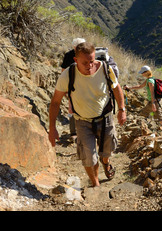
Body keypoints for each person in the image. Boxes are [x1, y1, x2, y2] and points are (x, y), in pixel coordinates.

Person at [49, 42, 126, 187]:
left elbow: (116, 88)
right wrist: (52, 128)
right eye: (85, 62)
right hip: (82, 121)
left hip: (105, 118)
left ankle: (106, 162)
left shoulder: (105, 69)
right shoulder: (68, 75)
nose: (90, 65)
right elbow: (55, 102)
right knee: (89, 158)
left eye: (92, 61)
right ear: (76, 60)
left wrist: (122, 109)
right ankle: (95, 183)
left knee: (107, 150)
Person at [123, 65, 162, 134]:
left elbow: (152, 93)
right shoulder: (149, 79)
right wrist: (129, 87)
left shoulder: (150, 81)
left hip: (153, 101)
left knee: (144, 114)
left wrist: (153, 104)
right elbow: (140, 86)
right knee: (156, 115)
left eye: (142, 72)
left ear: (146, 72)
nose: (142, 74)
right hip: (154, 101)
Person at [60, 37, 86, 138]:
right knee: (72, 107)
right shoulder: (69, 55)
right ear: (75, 47)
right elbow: (63, 71)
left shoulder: (84, 54)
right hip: (74, 85)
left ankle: (79, 130)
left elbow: (63, 70)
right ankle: (74, 131)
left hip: (81, 84)